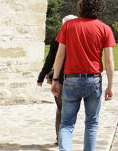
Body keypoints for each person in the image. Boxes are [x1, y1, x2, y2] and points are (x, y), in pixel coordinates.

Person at [51, 0, 115, 151]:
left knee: (66, 124)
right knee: (92, 123)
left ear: (81, 6)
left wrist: (55, 80)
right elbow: (109, 60)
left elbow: (60, 56)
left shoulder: (68, 26)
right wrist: (110, 86)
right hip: (94, 80)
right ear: (100, 9)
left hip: (71, 80)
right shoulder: (105, 29)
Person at [37, 14, 77, 144]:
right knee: (69, 110)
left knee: (61, 110)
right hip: (76, 78)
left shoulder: (57, 39)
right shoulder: (79, 39)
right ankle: (64, 137)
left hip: (61, 79)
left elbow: (50, 60)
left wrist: (41, 77)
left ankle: (60, 138)